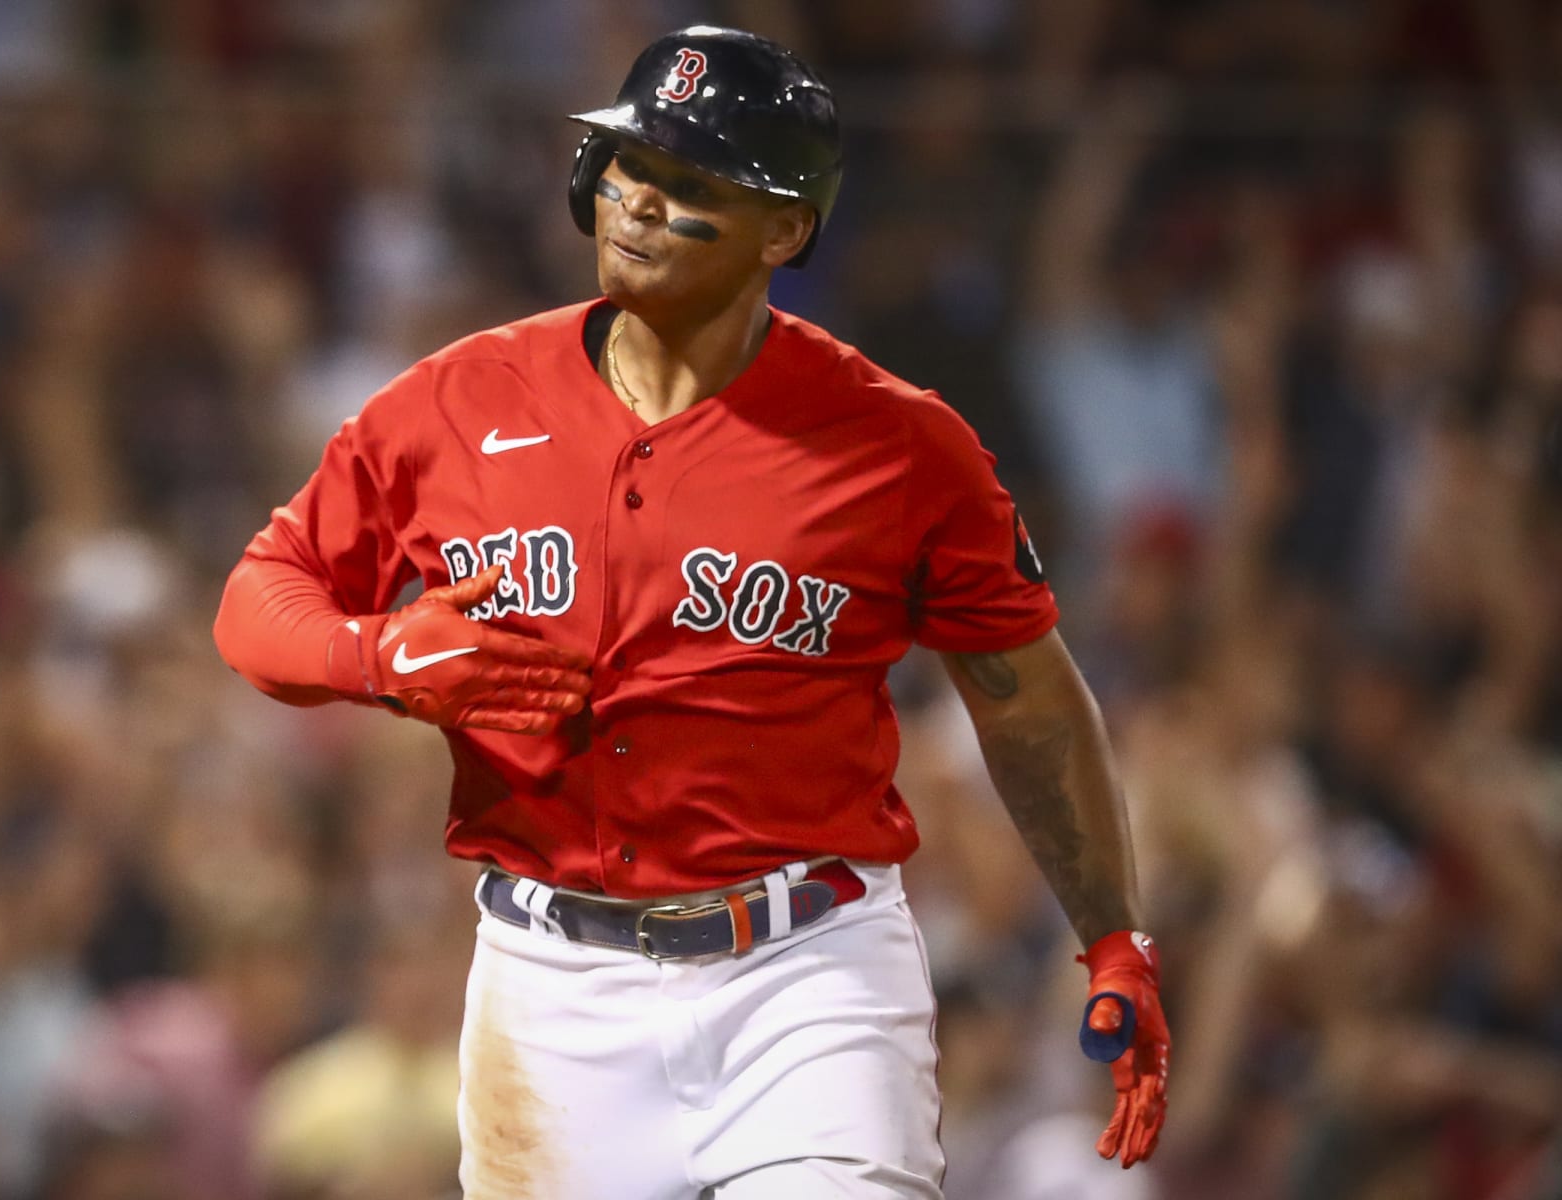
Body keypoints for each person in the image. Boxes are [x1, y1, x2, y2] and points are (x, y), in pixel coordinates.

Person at [214, 26, 1169, 1199]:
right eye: (631, 164)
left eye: (692, 182)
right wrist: (376, 655)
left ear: (785, 229)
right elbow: (259, 598)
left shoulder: (899, 446)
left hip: (807, 975)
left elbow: (1026, 702)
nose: (641, 203)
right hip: (551, 990)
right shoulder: (459, 401)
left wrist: (1114, 934)